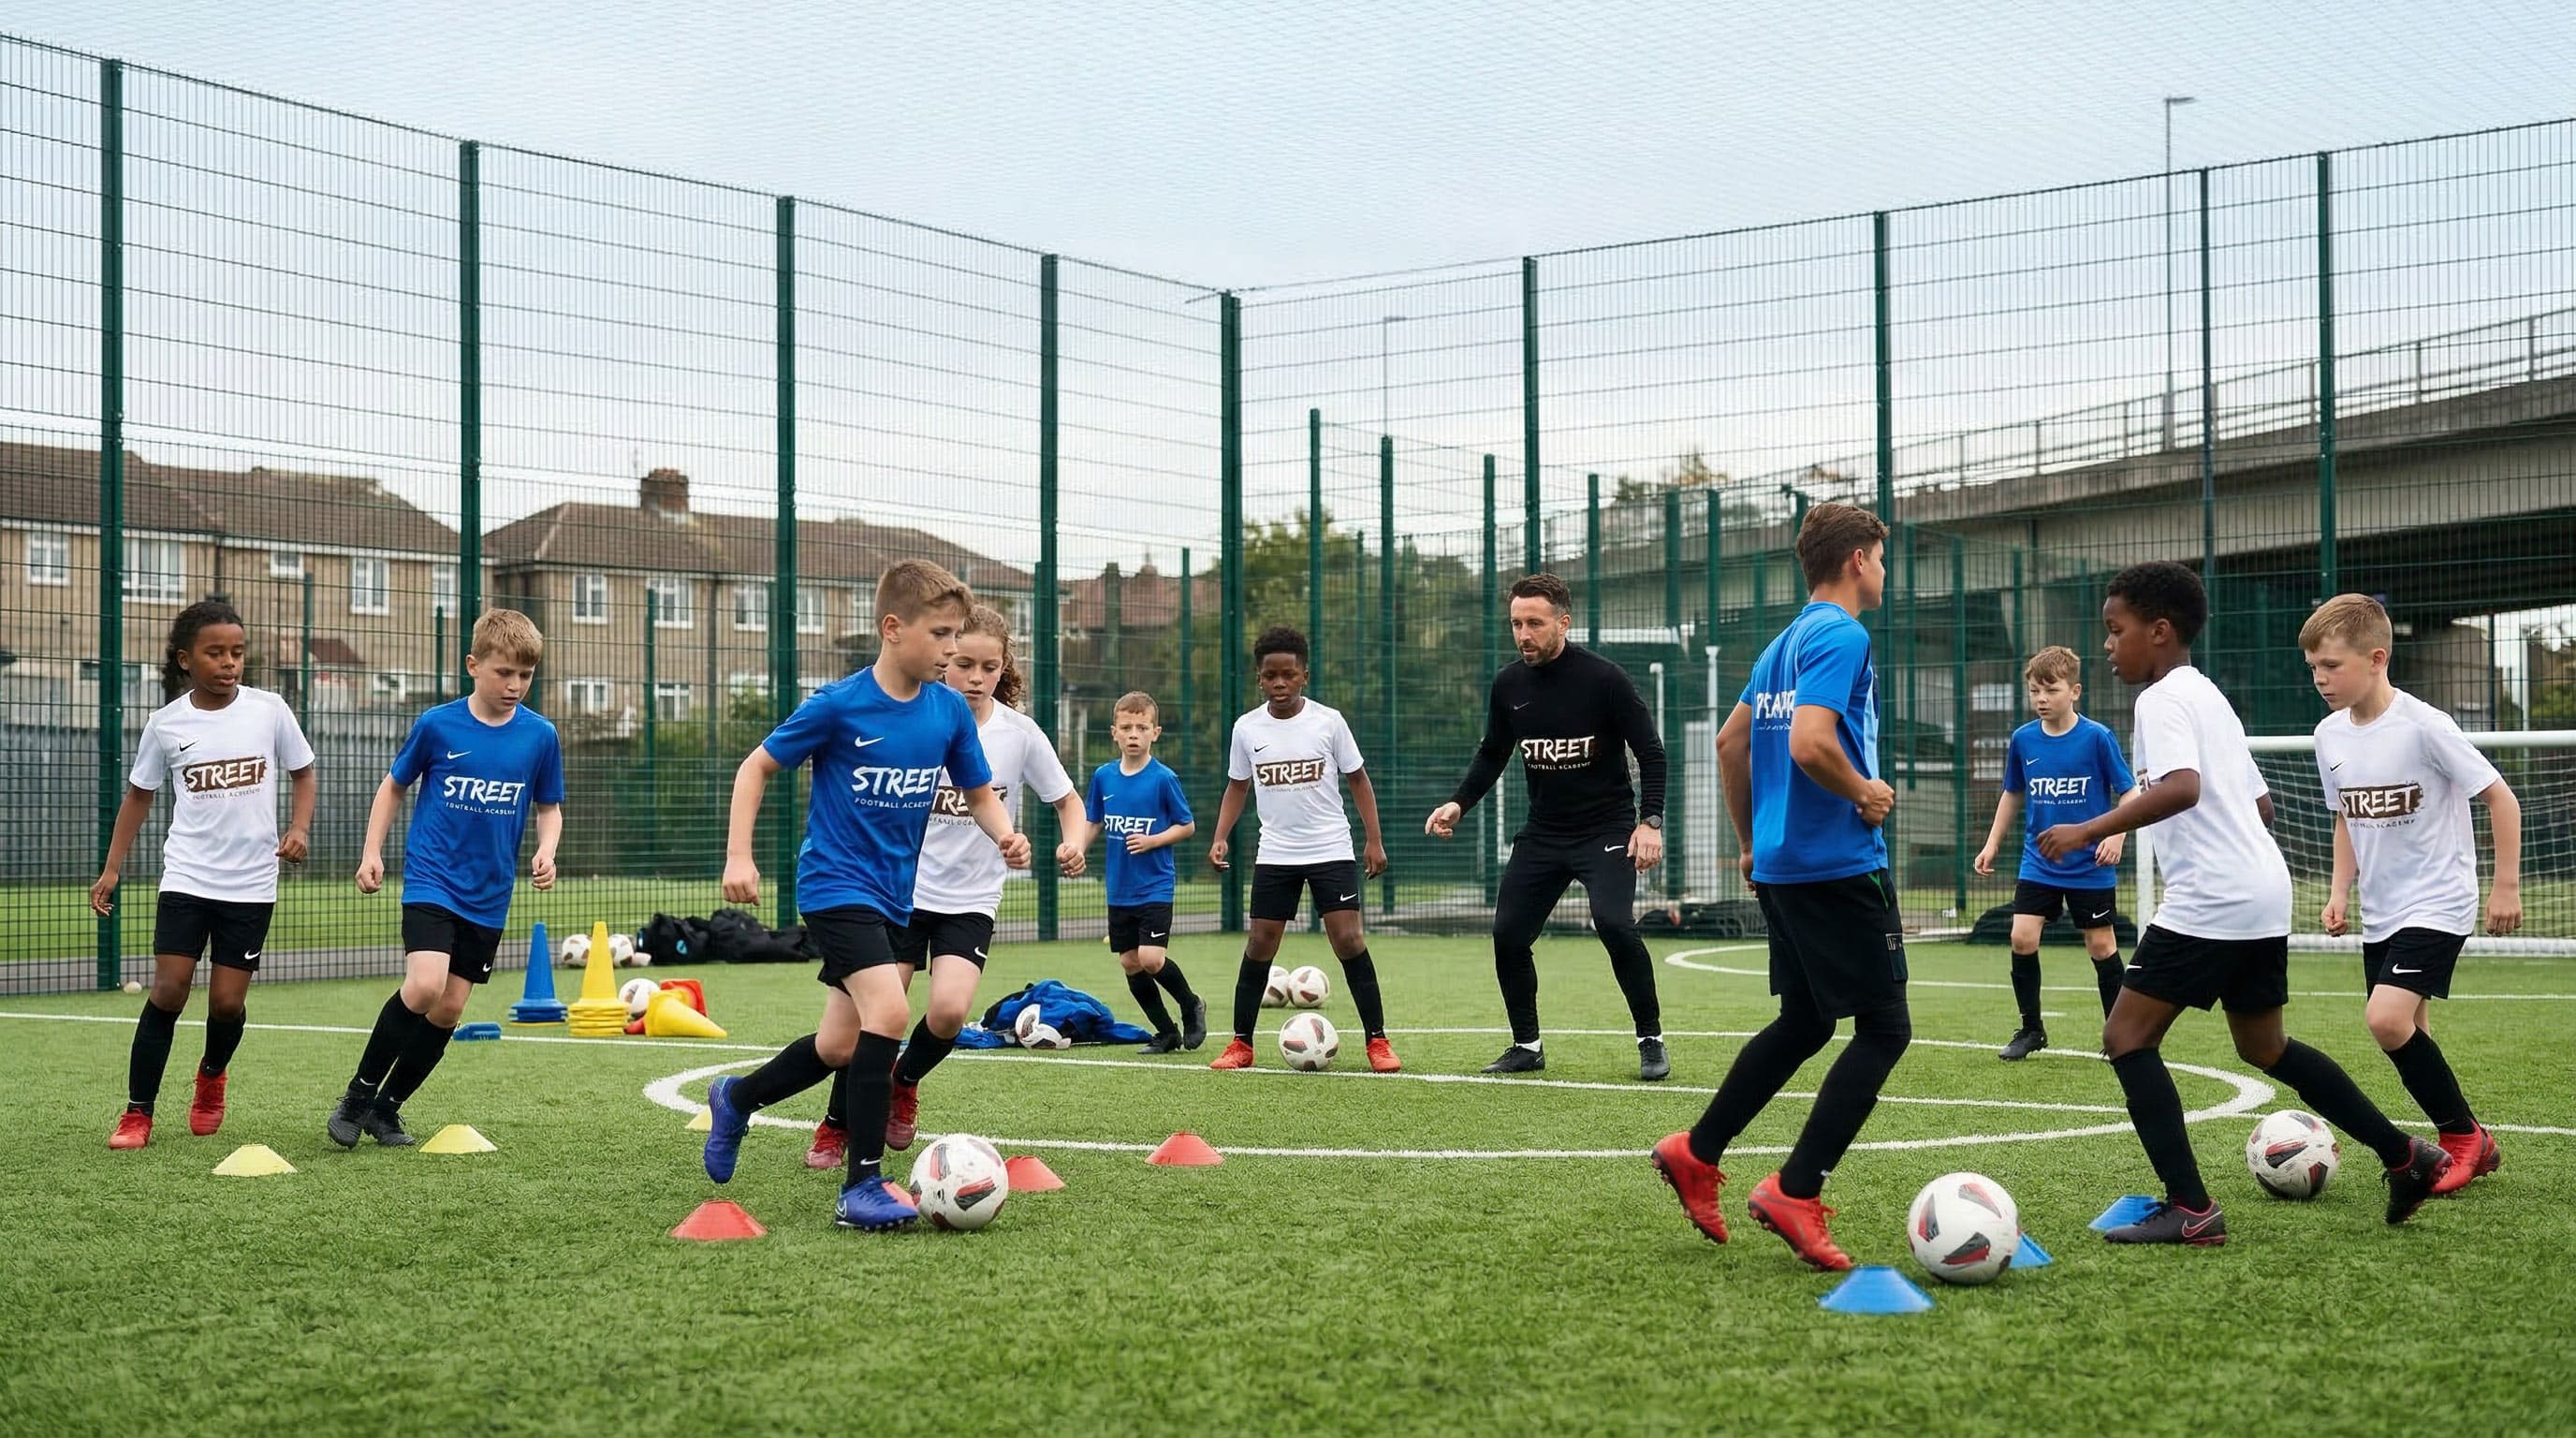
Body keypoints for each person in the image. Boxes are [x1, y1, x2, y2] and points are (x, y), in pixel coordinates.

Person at [2034, 562, 2452, 1245]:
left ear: (2159, 632)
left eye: (2116, 630)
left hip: (2215, 895)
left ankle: (2192, 1209)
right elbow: (2259, 801)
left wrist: (2089, 828)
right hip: (2262, 888)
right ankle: (2406, 1155)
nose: (2108, 645)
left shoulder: (2162, 699)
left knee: (2125, 1037)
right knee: (2264, 1045)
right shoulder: (2207, 694)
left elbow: (2183, 788)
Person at [699, 561, 1028, 1232]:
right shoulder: (839, 704)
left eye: (957, 637)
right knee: (890, 1008)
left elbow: (976, 791)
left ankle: (736, 1097)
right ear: (892, 628)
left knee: (838, 1045)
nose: (950, 651)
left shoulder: (945, 712)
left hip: (890, 897)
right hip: (833, 886)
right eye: (940, 636)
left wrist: (1004, 835)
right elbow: (755, 766)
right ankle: (863, 1185)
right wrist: (739, 854)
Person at [1650, 502, 1906, 1272]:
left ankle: (1698, 1151)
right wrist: (1863, 791)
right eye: (1881, 558)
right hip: (1835, 864)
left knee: (1804, 1022)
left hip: (1783, 866)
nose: (1885, 572)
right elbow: (1809, 742)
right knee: (1884, 1029)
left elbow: (1733, 745)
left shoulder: (1783, 645)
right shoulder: (1842, 634)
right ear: (1858, 559)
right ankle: (1796, 1190)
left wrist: (1750, 843)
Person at [802, 604, 1087, 1169]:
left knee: (950, 1015)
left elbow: (1067, 801)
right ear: (943, 659)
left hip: (971, 899)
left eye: (989, 667)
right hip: (899, 896)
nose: (976, 678)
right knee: (874, 1019)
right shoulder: (916, 721)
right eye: (963, 665)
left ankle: (903, 1082)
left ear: (1003, 667)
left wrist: (1072, 841)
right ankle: (836, 1125)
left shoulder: (1019, 734)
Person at [2304, 592, 2516, 1194]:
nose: (2321, 679)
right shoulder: (2327, 735)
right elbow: (2344, 816)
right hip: (2383, 909)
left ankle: (2461, 1137)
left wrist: (2504, 887)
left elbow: (2500, 797)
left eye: (2333, 666)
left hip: (2440, 899)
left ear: (2376, 658)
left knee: (2385, 1020)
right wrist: (2340, 891)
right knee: (2412, 1030)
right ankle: (2475, 1139)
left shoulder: (2426, 725)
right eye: (2314, 667)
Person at [1425, 571, 1671, 1081]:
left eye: (1534, 623)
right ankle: (1526, 1045)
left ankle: (1650, 1039)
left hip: (1605, 830)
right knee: (1508, 934)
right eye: (1515, 624)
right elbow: (1494, 752)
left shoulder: (1606, 680)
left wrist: (1649, 822)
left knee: (1616, 926)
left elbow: (1651, 753)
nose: (1523, 635)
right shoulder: (1508, 684)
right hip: (1543, 833)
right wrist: (1458, 804)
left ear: (1563, 621)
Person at [329, 609, 562, 1148]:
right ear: (473, 666)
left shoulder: (540, 736)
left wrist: (547, 849)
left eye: (525, 675)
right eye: (504, 673)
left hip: (491, 893)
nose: (515, 685)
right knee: (426, 985)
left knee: (451, 1007)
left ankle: (386, 1111)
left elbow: (549, 806)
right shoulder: (437, 724)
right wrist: (371, 852)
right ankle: (357, 1096)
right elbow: (393, 787)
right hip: (432, 880)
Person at [95, 597, 315, 1149]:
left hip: (251, 884)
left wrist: (300, 827)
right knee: (169, 990)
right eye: (215, 653)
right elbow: (139, 797)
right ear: (185, 659)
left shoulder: (269, 710)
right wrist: (111, 868)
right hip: (188, 878)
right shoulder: (166, 725)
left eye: (237, 653)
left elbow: (304, 771)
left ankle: (212, 1076)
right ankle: (137, 1113)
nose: (229, 663)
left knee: (226, 1004)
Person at [1206, 625, 1398, 1073]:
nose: (1279, 683)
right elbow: (1237, 787)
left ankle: (1378, 1041)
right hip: (1276, 853)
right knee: (1260, 942)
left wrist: (1373, 840)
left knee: (1348, 939)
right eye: (1270, 675)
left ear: (1303, 676)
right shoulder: (1247, 728)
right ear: (1259, 678)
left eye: (1288, 675)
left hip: (1331, 848)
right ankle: (1241, 1044)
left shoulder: (1328, 722)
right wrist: (1220, 835)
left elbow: (1358, 780)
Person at [1971, 645, 2137, 1059]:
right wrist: (1992, 843)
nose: (2042, 699)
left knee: (2101, 946)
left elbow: (2130, 791)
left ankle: (2120, 1036)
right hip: (2039, 861)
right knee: (2021, 937)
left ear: (2075, 691)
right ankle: (2031, 1030)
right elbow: (2012, 792)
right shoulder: (2023, 740)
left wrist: (2116, 836)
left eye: (2051, 690)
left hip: (2089, 866)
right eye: (2034, 691)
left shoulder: (2097, 737)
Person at [1085, 691, 1205, 1055]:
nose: (1133, 733)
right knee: (1129, 961)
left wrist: (1153, 841)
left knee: (1151, 958)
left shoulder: (1163, 778)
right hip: (1119, 887)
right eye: (1126, 727)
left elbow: (1187, 826)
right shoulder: (1104, 777)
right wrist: (1075, 849)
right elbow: (1093, 821)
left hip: (1155, 884)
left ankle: (1190, 1004)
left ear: (1156, 732)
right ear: (1114, 733)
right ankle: (1166, 1032)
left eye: (1142, 727)